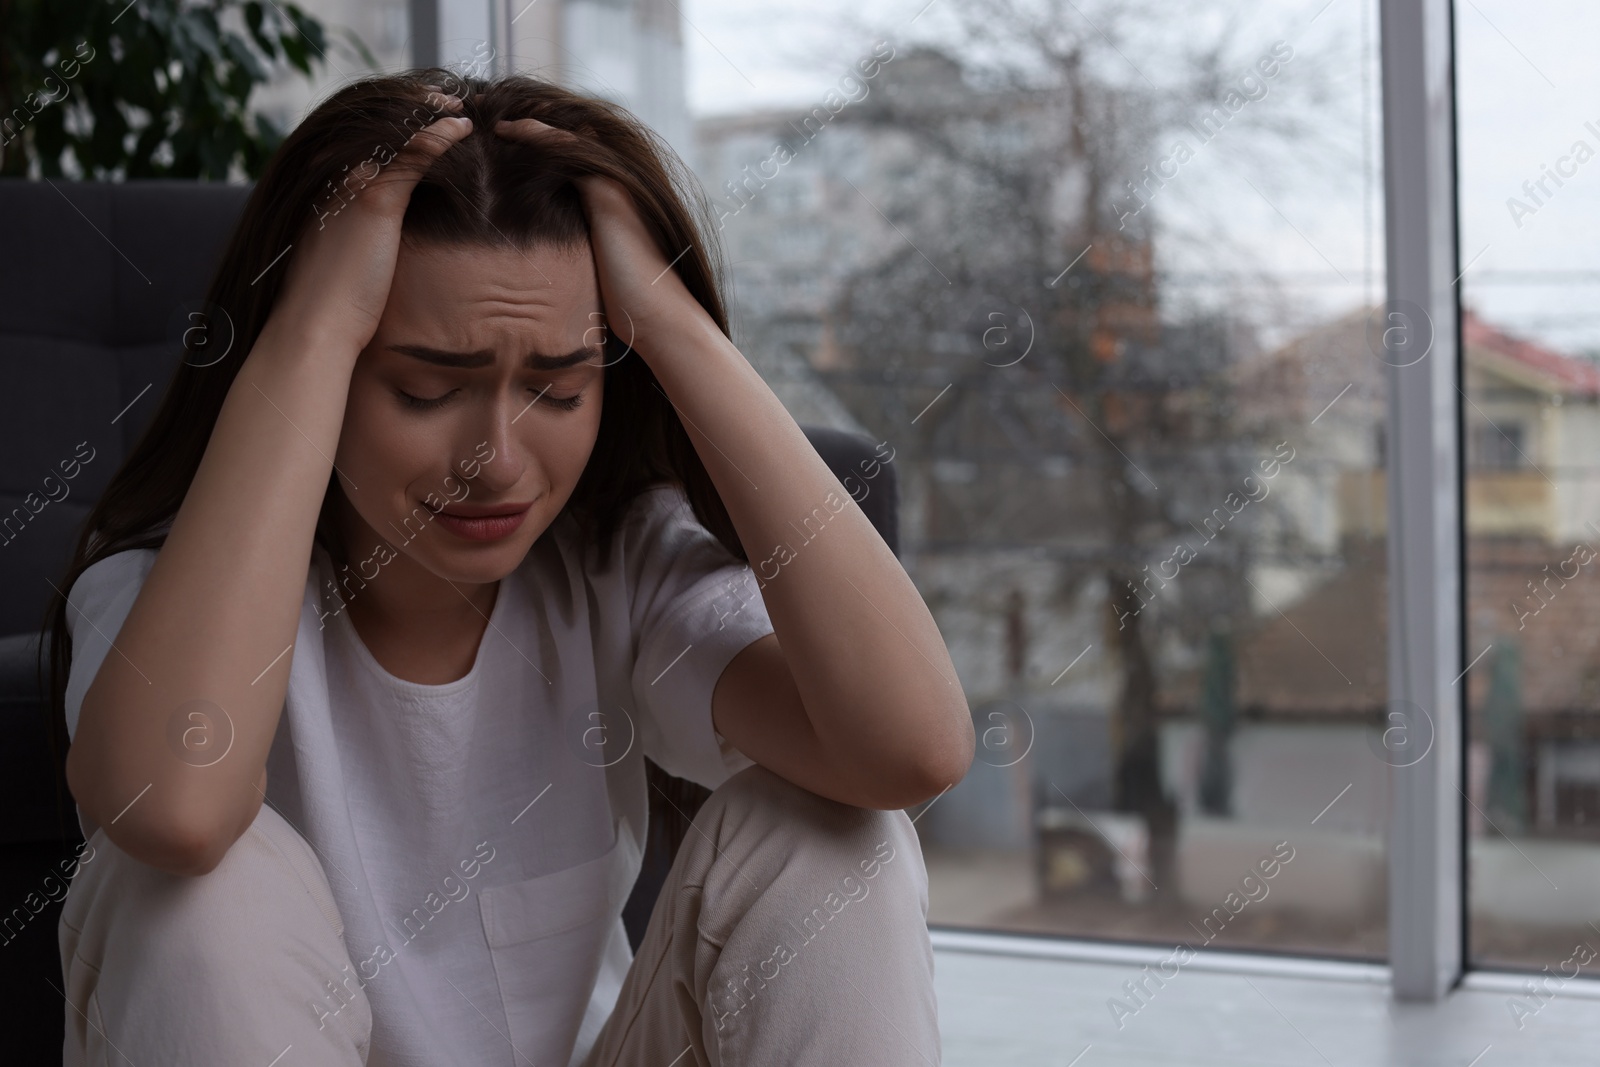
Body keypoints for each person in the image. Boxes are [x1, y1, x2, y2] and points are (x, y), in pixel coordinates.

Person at [44, 67, 973, 1067]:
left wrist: (669, 324)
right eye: (424, 388)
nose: (496, 460)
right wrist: (312, 323)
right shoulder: (149, 595)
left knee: (837, 835)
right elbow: (176, 810)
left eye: (557, 389)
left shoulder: (621, 567)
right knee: (189, 884)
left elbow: (906, 752)